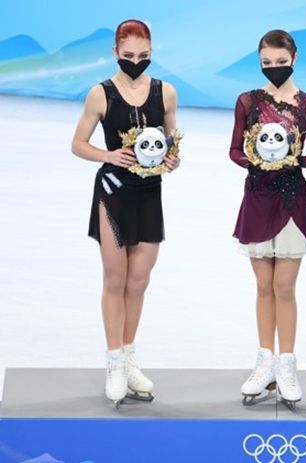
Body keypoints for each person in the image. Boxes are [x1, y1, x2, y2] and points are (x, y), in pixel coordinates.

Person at [71, 19, 180, 407]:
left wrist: (172, 159)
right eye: (129, 55)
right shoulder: (100, 94)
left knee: (139, 280)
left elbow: (170, 141)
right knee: (115, 278)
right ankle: (114, 361)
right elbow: (78, 144)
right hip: (113, 193)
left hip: (149, 194)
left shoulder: (165, 93)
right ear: (116, 52)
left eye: (144, 55)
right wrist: (109, 155)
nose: (136, 61)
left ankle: (129, 356)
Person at [229, 29, 306, 407]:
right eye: (266, 63)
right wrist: (256, 160)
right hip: (257, 197)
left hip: (290, 199)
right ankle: (264, 361)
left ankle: (287, 364)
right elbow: (234, 149)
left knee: (284, 285)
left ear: (294, 58)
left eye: (281, 62)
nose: (274, 68)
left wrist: (290, 160)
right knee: (263, 285)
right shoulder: (247, 101)